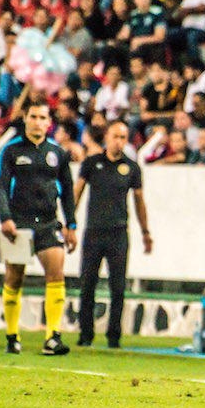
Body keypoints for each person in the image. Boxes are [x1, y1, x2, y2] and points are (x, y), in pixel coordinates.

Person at [0, 100, 78, 356]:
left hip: (48, 222)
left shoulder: (58, 153)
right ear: (26, 119)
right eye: (33, 117)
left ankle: (52, 336)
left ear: (49, 122)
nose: (38, 122)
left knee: (56, 274)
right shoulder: (10, 151)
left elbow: (68, 192)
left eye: (43, 117)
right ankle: (12, 335)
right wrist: (5, 218)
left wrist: (71, 224)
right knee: (14, 278)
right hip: (18, 224)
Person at [73, 121, 152, 348]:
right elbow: (77, 192)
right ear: (107, 137)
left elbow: (139, 201)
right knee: (88, 283)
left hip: (118, 233)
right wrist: (70, 222)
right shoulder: (91, 164)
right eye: (116, 136)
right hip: (94, 231)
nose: (119, 141)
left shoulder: (132, 168)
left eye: (124, 137)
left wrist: (145, 231)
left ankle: (114, 336)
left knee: (117, 287)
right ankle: (85, 333)